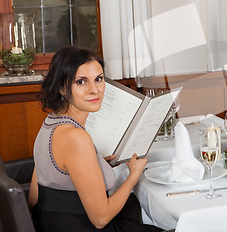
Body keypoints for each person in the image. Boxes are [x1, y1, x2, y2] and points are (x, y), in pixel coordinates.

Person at [28, 46, 161, 231]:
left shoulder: (50, 123)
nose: (94, 90)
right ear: (62, 88)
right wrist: (134, 175)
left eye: (98, 79)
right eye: (81, 82)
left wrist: (93, 164)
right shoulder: (76, 138)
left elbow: (34, 198)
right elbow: (101, 219)